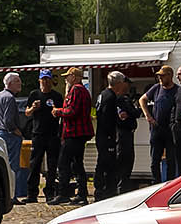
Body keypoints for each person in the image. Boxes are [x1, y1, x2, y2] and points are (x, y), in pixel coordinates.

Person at [54, 66, 94, 204]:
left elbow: (72, 111)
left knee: (63, 163)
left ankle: (63, 193)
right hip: (80, 133)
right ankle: (81, 194)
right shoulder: (83, 90)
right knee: (77, 164)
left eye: (67, 76)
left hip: (74, 133)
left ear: (74, 77)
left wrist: (58, 111)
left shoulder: (76, 90)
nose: (66, 79)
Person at [94, 70, 136, 200]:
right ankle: (105, 192)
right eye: (123, 82)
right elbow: (107, 117)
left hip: (101, 135)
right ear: (118, 83)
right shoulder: (111, 97)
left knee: (103, 163)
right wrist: (113, 133)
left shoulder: (103, 94)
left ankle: (101, 190)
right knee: (107, 165)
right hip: (107, 136)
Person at [23, 70, 63, 203]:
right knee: (34, 164)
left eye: (47, 79)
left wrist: (57, 113)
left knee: (52, 165)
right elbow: (27, 113)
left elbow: (62, 114)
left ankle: (50, 193)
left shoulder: (56, 96)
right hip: (38, 134)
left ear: (51, 81)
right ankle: (32, 194)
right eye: (43, 79)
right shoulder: (34, 94)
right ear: (39, 81)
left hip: (53, 135)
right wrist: (33, 108)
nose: (45, 82)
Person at [140, 64, 181, 181]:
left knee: (171, 161)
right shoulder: (156, 88)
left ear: (170, 76)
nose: (160, 79)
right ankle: (155, 182)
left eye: (162, 76)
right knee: (154, 160)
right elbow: (142, 99)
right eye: (159, 76)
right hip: (156, 129)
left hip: (170, 130)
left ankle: (169, 183)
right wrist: (148, 116)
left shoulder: (177, 90)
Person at [0, 71, 25, 199]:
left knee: (3, 164)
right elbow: (9, 121)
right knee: (13, 166)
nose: (20, 83)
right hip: (9, 135)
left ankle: (4, 193)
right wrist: (18, 132)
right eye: (17, 81)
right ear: (10, 83)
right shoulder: (10, 98)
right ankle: (13, 195)